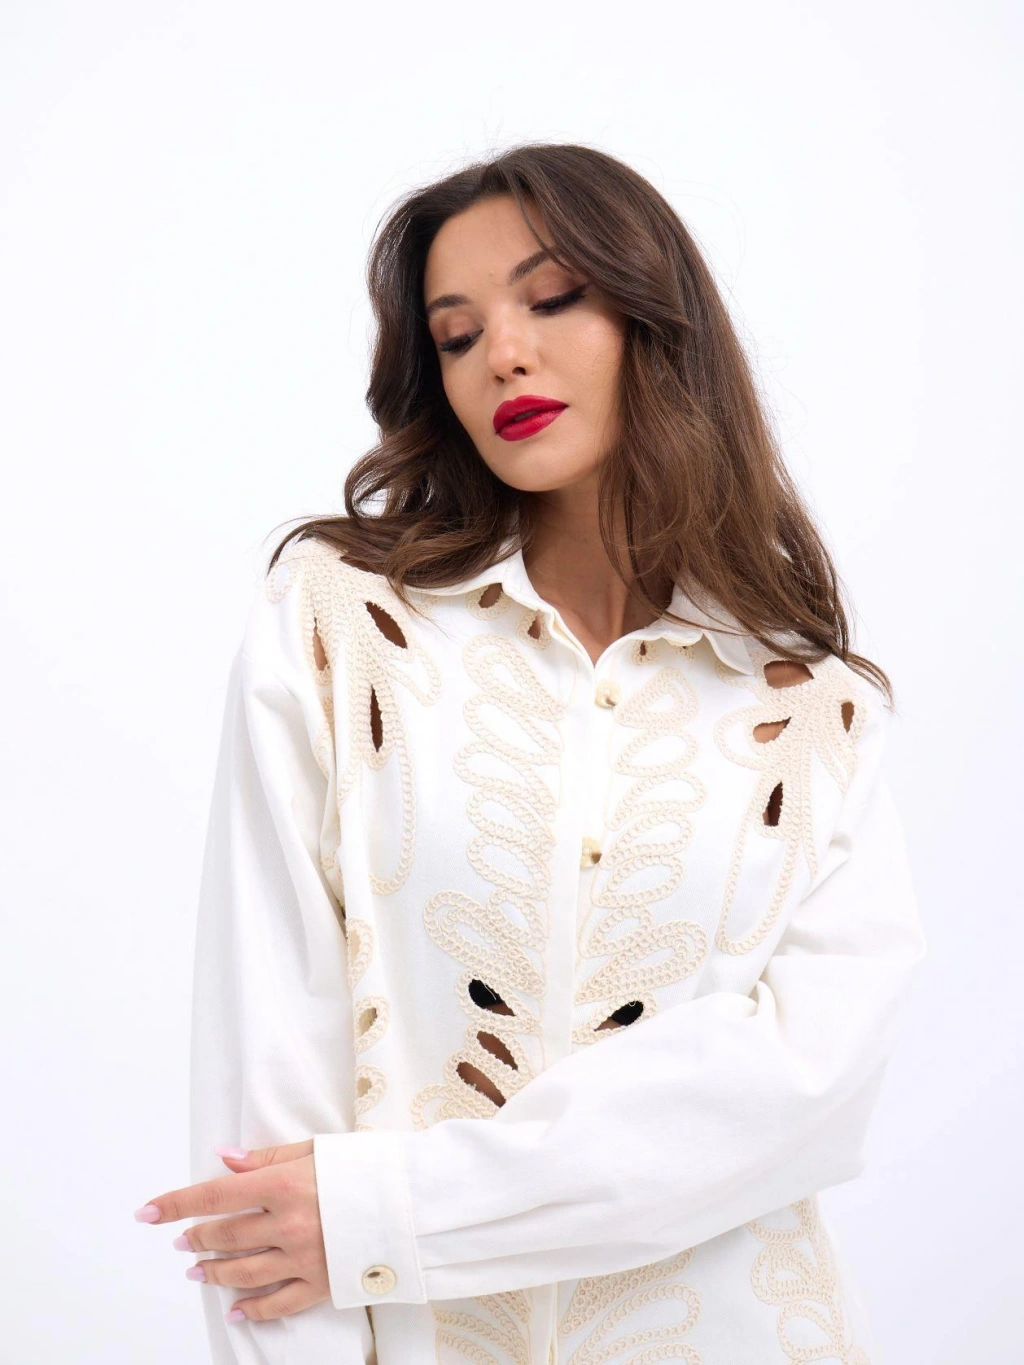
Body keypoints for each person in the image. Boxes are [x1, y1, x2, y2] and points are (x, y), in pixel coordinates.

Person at [133, 143, 926, 1364]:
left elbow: (804, 1099)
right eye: (455, 336)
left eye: (551, 300)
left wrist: (382, 1217)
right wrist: (341, 1232)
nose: (501, 354)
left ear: (659, 325)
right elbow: (266, 1155)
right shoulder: (340, 627)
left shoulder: (811, 708)